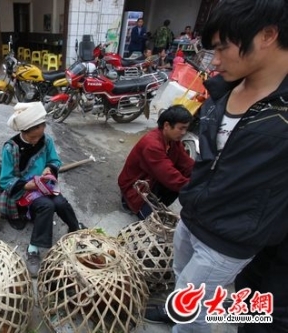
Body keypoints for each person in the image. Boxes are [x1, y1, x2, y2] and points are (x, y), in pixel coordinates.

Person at [144, 1, 288, 332]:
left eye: (223, 48)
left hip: (229, 238)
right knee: (184, 288)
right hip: (191, 218)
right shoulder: (221, 91)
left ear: (267, 35)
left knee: (190, 319)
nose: (216, 61)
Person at [0, 102, 83, 277]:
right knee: (47, 206)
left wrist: (49, 169)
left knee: (60, 202)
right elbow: (5, 180)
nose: (37, 141)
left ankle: (76, 229)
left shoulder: (46, 140)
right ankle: (33, 250)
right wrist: (26, 185)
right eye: (32, 138)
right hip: (23, 192)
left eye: (39, 136)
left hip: (43, 185)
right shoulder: (10, 148)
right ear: (23, 132)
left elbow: (55, 160)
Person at [118, 105, 194, 219]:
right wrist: (195, 188)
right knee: (152, 218)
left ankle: (156, 204)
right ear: (167, 125)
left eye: (185, 129)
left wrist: (202, 176)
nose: (184, 132)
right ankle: (132, 205)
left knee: (185, 181)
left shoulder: (173, 141)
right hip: (135, 188)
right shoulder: (152, 145)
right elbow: (169, 175)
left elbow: (187, 164)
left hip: (152, 181)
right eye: (181, 128)